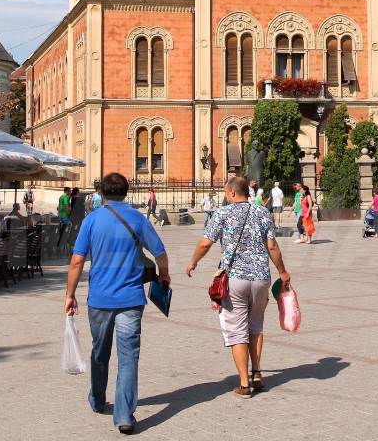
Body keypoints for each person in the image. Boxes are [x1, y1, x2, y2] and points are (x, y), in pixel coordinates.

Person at [65, 173, 170, 434]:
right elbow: (160, 253)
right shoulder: (137, 218)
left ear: (101, 192)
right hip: (131, 299)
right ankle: (124, 415)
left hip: (99, 298)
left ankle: (98, 399)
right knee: (128, 357)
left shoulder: (91, 220)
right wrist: (164, 274)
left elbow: (77, 261)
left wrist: (70, 294)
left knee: (100, 351)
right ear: (127, 191)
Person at [185, 177, 290, 399]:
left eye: (225, 193)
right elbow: (272, 245)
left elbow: (205, 242)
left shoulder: (222, 214)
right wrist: (282, 271)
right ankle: (257, 373)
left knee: (236, 329)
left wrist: (193, 261)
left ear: (232, 193)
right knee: (256, 326)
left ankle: (244, 384)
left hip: (234, 279)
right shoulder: (263, 212)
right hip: (261, 277)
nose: (225, 196)